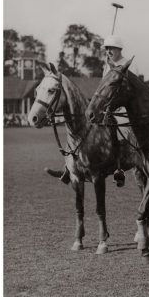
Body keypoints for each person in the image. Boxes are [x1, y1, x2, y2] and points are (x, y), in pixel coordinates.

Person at [45, 34, 129, 186]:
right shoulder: (107, 65)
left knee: (116, 129)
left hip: (122, 108)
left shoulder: (127, 64)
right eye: (107, 49)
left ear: (119, 49)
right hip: (105, 108)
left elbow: (128, 90)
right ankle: (68, 168)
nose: (108, 52)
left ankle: (119, 168)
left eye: (111, 49)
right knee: (80, 130)